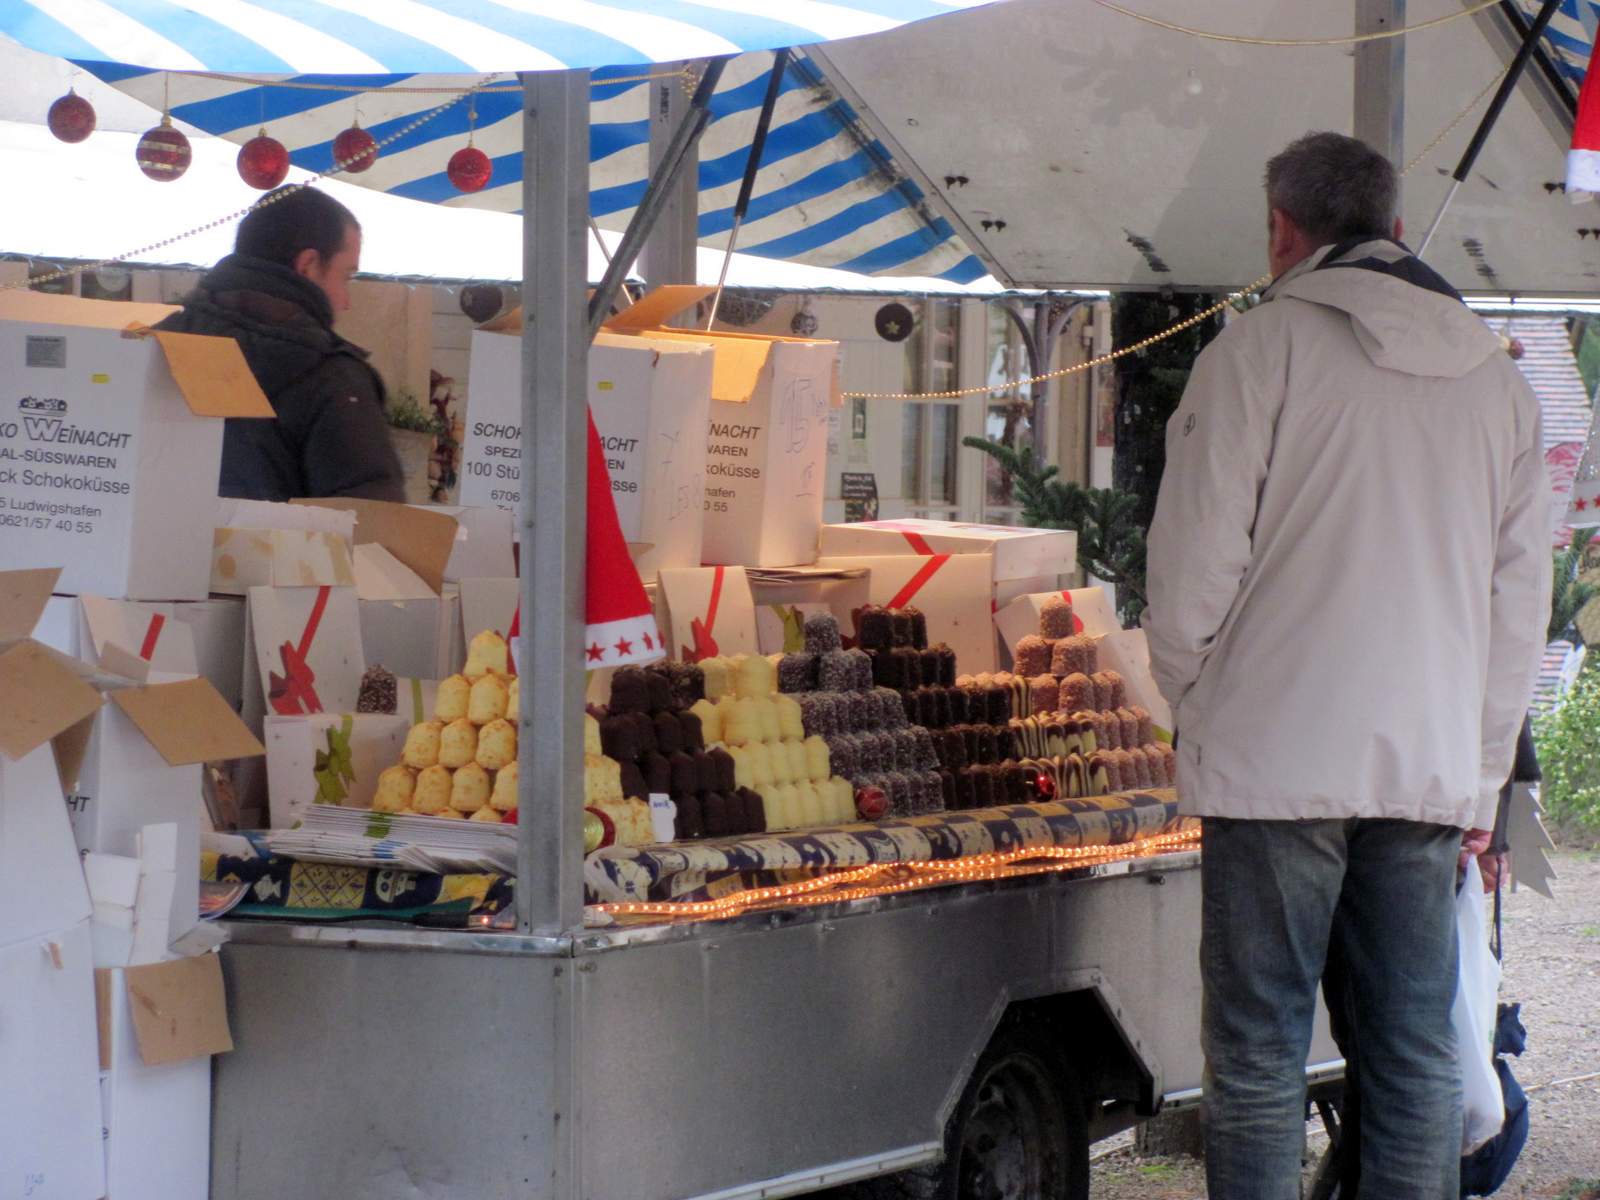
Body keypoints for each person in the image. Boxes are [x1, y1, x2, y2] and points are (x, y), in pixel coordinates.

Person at [1143, 131, 1550, 1199]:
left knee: (1259, 1047)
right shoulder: (1497, 385)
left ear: (1281, 231)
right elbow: (1519, 606)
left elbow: (1189, 568)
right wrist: (1479, 766)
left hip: (1271, 756)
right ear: (1398, 229)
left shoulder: (1253, 352)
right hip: (1423, 761)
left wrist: (1195, 698)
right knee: (1413, 1046)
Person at [157, 185, 404, 501]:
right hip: (273, 552)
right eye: (346, 277)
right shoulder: (333, 379)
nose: (345, 302)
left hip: (151, 549)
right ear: (308, 265)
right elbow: (372, 527)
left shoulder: (158, 348)